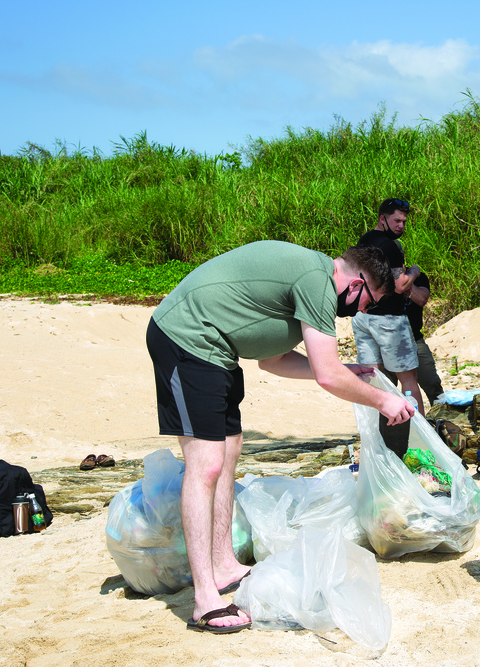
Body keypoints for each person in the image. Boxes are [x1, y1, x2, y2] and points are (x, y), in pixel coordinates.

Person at [146, 241, 415, 633]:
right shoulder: (318, 282)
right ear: (356, 283)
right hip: (187, 339)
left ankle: (223, 565)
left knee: (230, 449)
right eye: (366, 301)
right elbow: (327, 374)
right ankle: (205, 599)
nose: (361, 310)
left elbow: (273, 360)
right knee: (205, 466)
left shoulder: (312, 282)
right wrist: (382, 401)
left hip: (218, 352)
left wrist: (350, 372)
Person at [353, 198, 426, 416]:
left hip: (362, 316)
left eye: (404, 222)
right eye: (396, 221)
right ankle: (421, 437)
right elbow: (399, 285)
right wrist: (414, 271)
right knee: (409, 379)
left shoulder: (364, 240)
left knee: (371, 377)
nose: (401, 226)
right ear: (382, 218)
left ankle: (377, 437)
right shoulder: (390, 246)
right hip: (389, 320)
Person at [385, 271, 445, 405]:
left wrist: (407, 282)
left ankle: (442, 420)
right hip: (387, 342)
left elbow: (422, 299)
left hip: (414, 340)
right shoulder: (380, 276)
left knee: (433, 386)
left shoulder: (418, 277)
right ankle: (391, 424)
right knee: (388, 389)